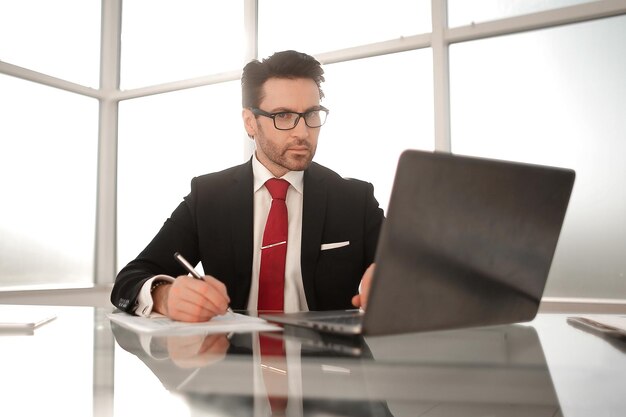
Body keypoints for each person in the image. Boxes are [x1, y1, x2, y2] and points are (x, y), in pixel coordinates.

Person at [111, 50, 384, 322]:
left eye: (312, 114)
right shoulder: (208, 197)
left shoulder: (354, 200)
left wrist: (396, 283)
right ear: (250, 122)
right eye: (284, 116)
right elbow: (131, 279)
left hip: (328, 360)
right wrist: (165, 297)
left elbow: (413, 272)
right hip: (230, 357)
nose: (302, 132)